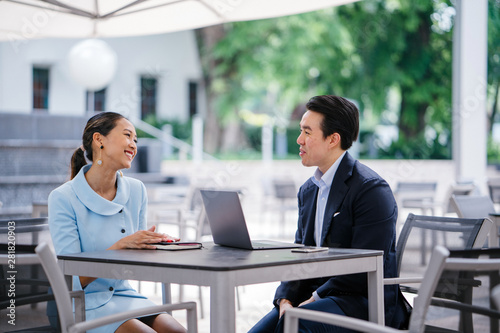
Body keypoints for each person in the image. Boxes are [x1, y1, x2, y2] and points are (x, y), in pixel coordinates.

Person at [249, 95, 409, 332]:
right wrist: (285, 300)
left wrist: (313, 298)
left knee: (295, 324)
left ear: (333, 139)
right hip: (319, 297)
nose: (299, 139)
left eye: (307, 132)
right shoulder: (308, 191)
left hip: (360, 303)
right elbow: (299, 254)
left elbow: (365, 267)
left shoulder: (371, 190)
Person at [48, 112, 187, 333]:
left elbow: (135, 266)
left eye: (136, 140)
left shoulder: (136, 190)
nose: (133, 144)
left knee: (178, 331)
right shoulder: (63, 198)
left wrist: (154, 246)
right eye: (127, 135)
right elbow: (71, 279)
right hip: (80, 301)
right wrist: (120, 246)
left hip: (124, 294)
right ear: (99, 140)